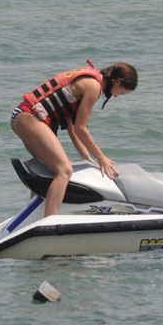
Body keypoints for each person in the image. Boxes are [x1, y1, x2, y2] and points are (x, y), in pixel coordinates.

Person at [11, 62, 137, 217]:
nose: (116, 96)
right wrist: (101, 158)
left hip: (21, 116)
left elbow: (73, 129)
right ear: (117, 81)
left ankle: (31, 216)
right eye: (121, 93)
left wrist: (87, 159)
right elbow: (81, 128)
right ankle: (50, 222)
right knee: (64, 171)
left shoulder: (89, 77)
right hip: (29, 117)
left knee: (46, 170)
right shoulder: (93, 86)